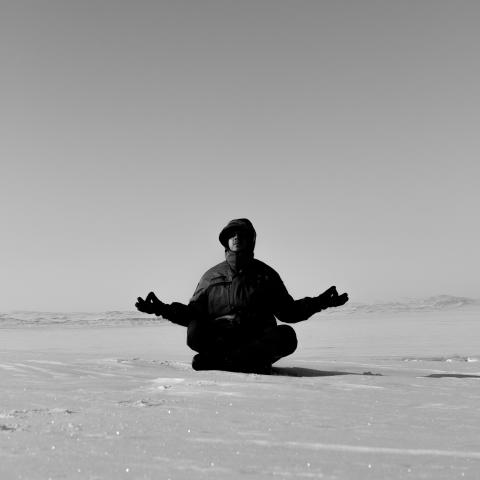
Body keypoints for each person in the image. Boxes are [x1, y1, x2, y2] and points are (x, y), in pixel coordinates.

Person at [135, 218, 348, 374]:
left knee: (287, 336)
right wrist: (161, 309)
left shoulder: (265, 275)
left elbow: (287, 312)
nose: (236, 238)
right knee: (195, 330)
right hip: (222, 340)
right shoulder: (211, 276)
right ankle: (243, 363)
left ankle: (222, 363)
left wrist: (321, 303)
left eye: (241, 234)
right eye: (231, 235)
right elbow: (193, 314)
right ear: (225, 242)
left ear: (251, 241)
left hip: (256, 342)